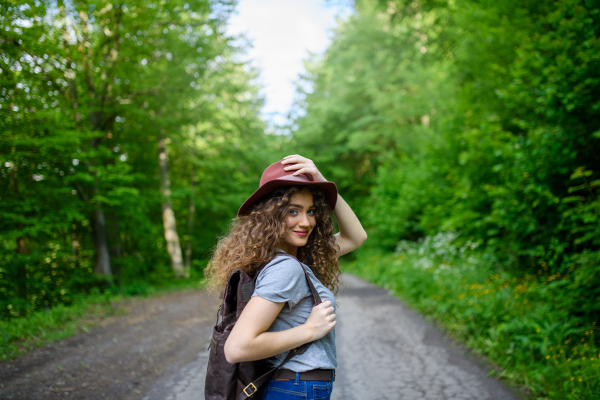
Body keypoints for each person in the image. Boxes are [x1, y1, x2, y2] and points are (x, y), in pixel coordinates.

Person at [205, 155, 367, 400]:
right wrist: (309, 330)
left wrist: (323, 181)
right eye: (293, 211)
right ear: (271, 216)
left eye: (311, 211)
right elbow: (237, 347)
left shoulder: (294, 260)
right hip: (296, 388)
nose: (306, 222)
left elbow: (356, 237)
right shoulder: (285, 269)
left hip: (295, 387)